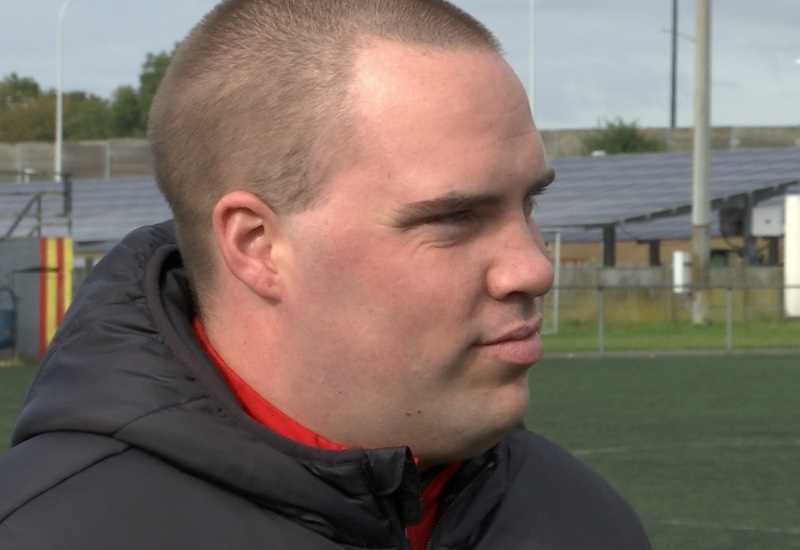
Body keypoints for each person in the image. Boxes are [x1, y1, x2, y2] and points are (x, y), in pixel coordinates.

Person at [0, 1, 652, 548]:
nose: (533, 267)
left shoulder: (584, 519)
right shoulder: (46, 530)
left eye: (528, 204)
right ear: (258, 246)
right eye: (454, 218)